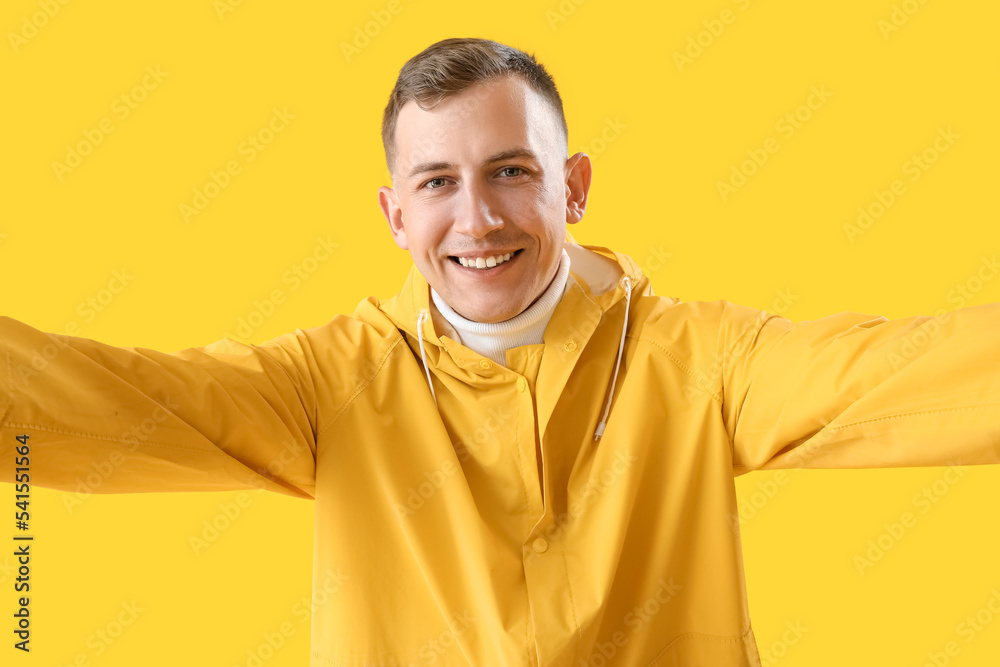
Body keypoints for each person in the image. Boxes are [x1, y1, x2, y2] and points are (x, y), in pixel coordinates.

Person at [2, 37, 998, 666]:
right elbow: (103, 401)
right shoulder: (334, 382)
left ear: (573, 187)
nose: (475, 218)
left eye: (510, 171)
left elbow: (902, 376)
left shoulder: (699, 358)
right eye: (436, 182)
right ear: (395, 216)